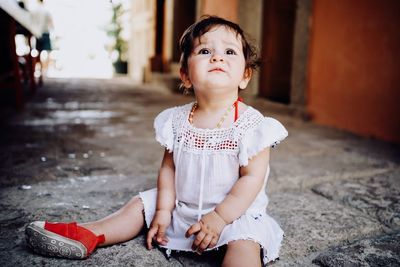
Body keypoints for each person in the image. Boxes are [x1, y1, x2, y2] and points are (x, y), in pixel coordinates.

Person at [25, 16, 288, 266]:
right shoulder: (175, 120)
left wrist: (219, 218)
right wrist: (163, 211)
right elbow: (169, 168)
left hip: (234, 215)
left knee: (245, 243)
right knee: (139, 205)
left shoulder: (253, 126)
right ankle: (91, 233)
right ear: (185, 75)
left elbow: (251, 179)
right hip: (181, 206)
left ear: (245, 76)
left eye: (230, 52)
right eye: (205, 51)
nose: (218, 56)